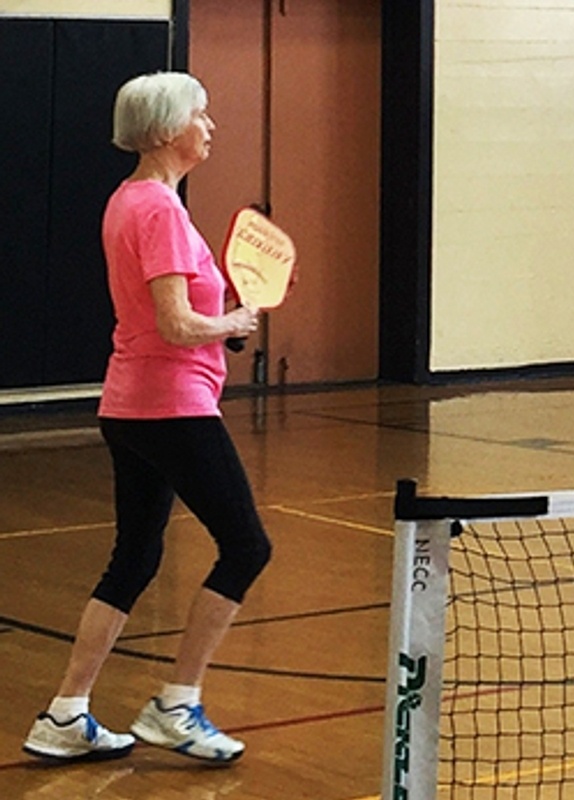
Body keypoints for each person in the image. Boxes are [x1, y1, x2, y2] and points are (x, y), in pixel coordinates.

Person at [23, 72, 270, 763]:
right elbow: (174, 322)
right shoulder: (159, 211)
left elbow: (170, 314)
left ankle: (65, 715)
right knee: (248, 547)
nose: (211, 126)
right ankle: (177, 704)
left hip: (128, 404)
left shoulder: (129, 201)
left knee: (134, 557)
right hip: (171, 406)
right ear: (167, 131)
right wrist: (229, 321)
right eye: (202, 114)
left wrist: (223, 324)